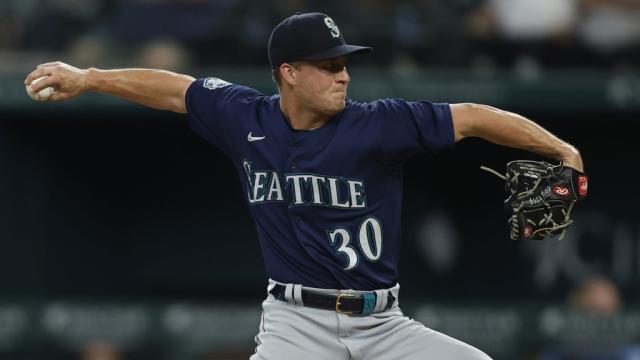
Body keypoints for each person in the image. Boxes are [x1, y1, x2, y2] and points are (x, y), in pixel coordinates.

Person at [25, 12, 584, 360]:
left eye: (344, 63)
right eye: (327, 64)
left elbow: (474, 115)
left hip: (383, 323)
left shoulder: (379, 122)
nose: (343, 74)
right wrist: (89, 76)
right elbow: (174, 88)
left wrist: (559, 150)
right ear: (289, 72)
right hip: (297, 324)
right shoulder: (245, 115)